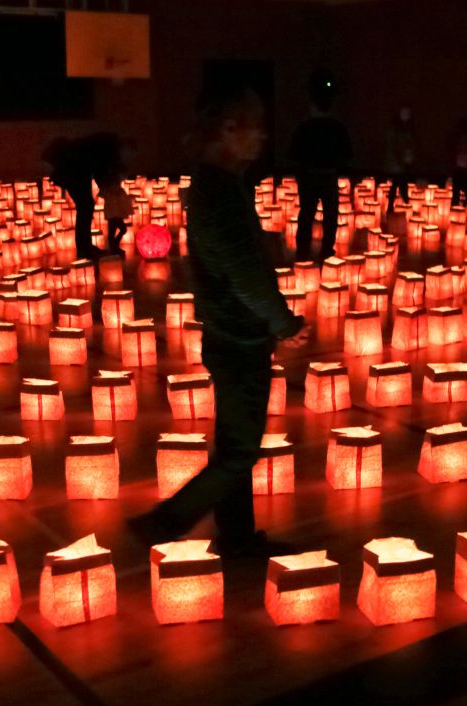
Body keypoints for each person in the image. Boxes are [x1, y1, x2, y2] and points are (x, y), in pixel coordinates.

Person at [129, 85, 308, 558]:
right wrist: (284, 323)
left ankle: (238, 539)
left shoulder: (216, 184)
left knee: (236, 446)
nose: (262, 139)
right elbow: (244, 275)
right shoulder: (220, 192)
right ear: (229, 131)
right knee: (239, 452)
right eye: (256, 129)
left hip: (229, 331)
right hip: (238, 335)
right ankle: (165, 522)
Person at [288, 68, 352, 263]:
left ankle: (303, 251)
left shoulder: (304, 128)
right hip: (328, 175)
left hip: (309, 176)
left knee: (307, 214)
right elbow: (348, 154)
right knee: (330, 215)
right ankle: (326, 249)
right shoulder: (337, 128)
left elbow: (292, 153)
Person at [43, 132, 123, 260]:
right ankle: (84, 249)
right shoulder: (103, 151)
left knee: (86, 207)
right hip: (72, 172)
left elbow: (98, 173)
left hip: (76, 171)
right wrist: (108, 190)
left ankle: (86, 247)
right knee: (85, 207)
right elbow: (99, 173)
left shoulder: (101, 147)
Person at [385, 105, 417, 213]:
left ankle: (400, 204)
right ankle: (400, 204)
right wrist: (399, 160)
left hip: (404, 161)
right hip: (397, 163)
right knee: (398, 183)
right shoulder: (395, 131)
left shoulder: (408, 131)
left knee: (400, 183)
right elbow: (394, 147)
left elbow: (410, 145)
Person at [449, 117, 467, 207]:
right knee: (456, 192)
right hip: (458, 170)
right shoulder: (456, 143)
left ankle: (465, 207)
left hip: (466, 171)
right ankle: (456, 208)